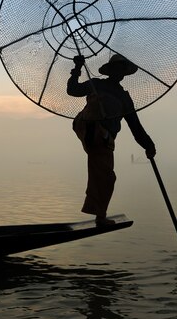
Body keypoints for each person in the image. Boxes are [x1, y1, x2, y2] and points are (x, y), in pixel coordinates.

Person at [67, 54, 156, 226]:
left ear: (124, 73)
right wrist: (77, 68)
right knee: (105, 176)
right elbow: (73, 90)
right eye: (116, 68)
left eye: (121, 69)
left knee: (105, 176)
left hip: (104, 139)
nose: (119, 72)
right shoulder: (97, 84)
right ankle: (100, 217)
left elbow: (135, 127)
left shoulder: (124, 98)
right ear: (110, 71)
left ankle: (100, 214)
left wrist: (148, 145)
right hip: (90, 129)